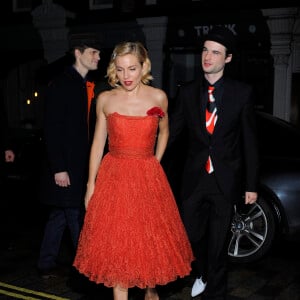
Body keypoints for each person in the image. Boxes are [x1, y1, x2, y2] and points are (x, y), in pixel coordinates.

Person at [73, 41, 194, 300]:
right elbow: (97, 145)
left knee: (148, 247)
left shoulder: (158, 97)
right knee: (119, 255)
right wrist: (90, 185)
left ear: (144, 67)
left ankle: (151, 291)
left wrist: (154, 162)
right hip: (114, 180)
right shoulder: (105, 99)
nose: (126, 76)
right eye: (120, 69)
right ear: (113, 70)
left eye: (132, 69)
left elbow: (165, 132)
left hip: (147, 179)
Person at [167, 26, 259, 299]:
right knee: (190, 235)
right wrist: (146, 156)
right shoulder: (188, 92)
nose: (207, 56)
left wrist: (251, 184)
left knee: (219, 244)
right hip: (195, 178)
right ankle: (203, 272)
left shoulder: (241, 93)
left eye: (215, 52)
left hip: (225, 180)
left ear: (227, 59)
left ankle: (215, 291)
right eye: (205, 50)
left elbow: (250, 141)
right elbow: (172, 134)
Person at [37, 33, 101, 278]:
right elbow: (51, 129)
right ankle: (87, 269)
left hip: (80, 164)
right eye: (93, 52)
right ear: (78, 53)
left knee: (59, 216)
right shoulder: (62, 84)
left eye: (98, 52)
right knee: (76, 214)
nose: (98, 56)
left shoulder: (86, 85)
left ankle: (45, 262)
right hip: (66, 166)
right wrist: (58, 168)